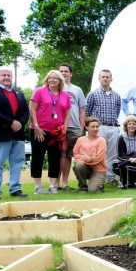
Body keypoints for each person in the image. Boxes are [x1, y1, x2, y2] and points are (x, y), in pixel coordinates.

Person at [0, 65, 30, 200]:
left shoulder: (19, 93)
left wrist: (20, 123)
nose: (6, 77)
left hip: (18, 134)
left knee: (17, 162)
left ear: (12, 77)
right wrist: (11, 123)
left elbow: (25, 111)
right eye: (3, 75)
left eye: (9, 75)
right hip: (0, 133)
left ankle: (15, 188)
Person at [28, 70, 71, 194]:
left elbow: (67, 115)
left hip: (56, 132)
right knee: (38, 157)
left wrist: (65, 129)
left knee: (55, 158)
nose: (52, 80)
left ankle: (53, 186)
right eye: (50, 78)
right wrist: (36, 127)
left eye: (55, 78)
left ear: (60, 81)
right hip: (39, 130)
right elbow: (32, 109)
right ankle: (38, 186)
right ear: (46, 79)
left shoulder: (65, 95)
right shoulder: (39, 91)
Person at [85, 69, 122, 183]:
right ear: (99, 79)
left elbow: (117, 111)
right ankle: (96, 177)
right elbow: (87, 111)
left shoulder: (116, 95)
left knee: (112, 154)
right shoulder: (93, 94)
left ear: (111, 79)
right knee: (97, 153)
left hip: (113, 127)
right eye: (103, 77)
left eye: (107, 77)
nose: (105, 79)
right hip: (98, 128)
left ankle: (110, 178)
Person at [57, 63, 87, 191]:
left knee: (69, 155)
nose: (63, 73)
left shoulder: (77, 90)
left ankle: (64, 183)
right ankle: (55, 183)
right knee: (58, 155)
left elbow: (82, 110)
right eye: (61, 71)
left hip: (74, 127)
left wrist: (81, 127)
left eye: (66, 71)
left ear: (71, 74)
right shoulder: (54, 88)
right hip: (57, 127)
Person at [72, 117, 107, 193]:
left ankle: (99, 184)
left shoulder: (101, 140)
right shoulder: (80, 139)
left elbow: (99, 158)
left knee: (93, 191)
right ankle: (82, 187)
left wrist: (86, 159)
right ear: (86, 127)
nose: (95, 129)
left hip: (98, 169)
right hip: (85, 166)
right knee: (79, 165)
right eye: (92, 127)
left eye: (97, 127)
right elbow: (75, 154)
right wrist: (85, 158)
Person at [115, 115, 136, 189]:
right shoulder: (122, 138)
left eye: (134, 124)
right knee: (123, 164)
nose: (131, 126)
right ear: (126, 126)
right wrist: (130, 159)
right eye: (129, 124)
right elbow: (120, 154)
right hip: (126, 159)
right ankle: (123, 182)